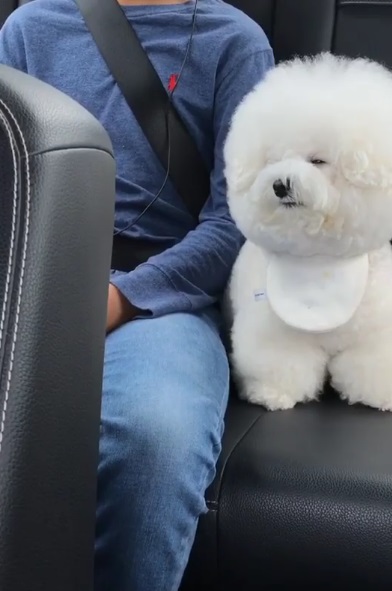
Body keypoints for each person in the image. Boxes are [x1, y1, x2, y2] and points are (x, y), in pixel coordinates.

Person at [0, 0, 275, 589]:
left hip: (164, 296)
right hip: (32, 280)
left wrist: (117, 298)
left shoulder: (235, 42)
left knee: (154, 437)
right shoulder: (28, 29)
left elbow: (239, 223)